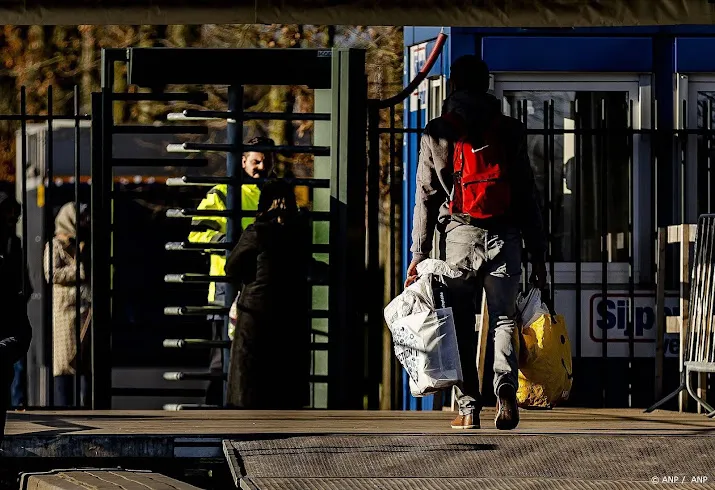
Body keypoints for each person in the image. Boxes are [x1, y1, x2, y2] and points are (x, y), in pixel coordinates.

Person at [406, 55, 547, 431]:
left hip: (459, 238)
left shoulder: (437, 132)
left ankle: (468, 408)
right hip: (505, 236)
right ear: (487, 85)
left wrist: (419, 253)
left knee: (459, 323)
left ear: (452, 85)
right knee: (503, 318)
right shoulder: (510, 130)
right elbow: (527, 195)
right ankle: (503, 388)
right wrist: (538, 251)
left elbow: (425, 195)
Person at [189, 136, 275, 406]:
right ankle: (216, 408)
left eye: (266, 161)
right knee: (223, 356)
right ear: (242, 161)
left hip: (259, 287)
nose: (261, 166)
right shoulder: (222, 194)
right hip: (226, 287)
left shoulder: (274, 195)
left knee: (252, 354)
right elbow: (196, 234)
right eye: (256, 161)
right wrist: (226, 242)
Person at [224, 179, 315, 409]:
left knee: (250, 382)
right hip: (291, 313)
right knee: (283, 383)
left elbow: (232, 267)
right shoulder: (300, 230)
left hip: (255, 313)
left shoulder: (257, 231)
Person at [44, 202, 91, 407]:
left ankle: (88, 405)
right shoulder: (55, 245)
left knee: (86, 361)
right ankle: (65, 406)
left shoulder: (84, 242)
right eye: (80, 217)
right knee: (65, 362)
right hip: (65, 311)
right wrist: (79, 270)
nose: (84, 221)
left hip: (86, 310)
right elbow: (51, 273)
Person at [0, 193, 31, 439]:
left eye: (15, 218)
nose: (12, 221)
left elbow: (22, 277)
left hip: (9, 313)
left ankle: (16, 400)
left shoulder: (14, 244)